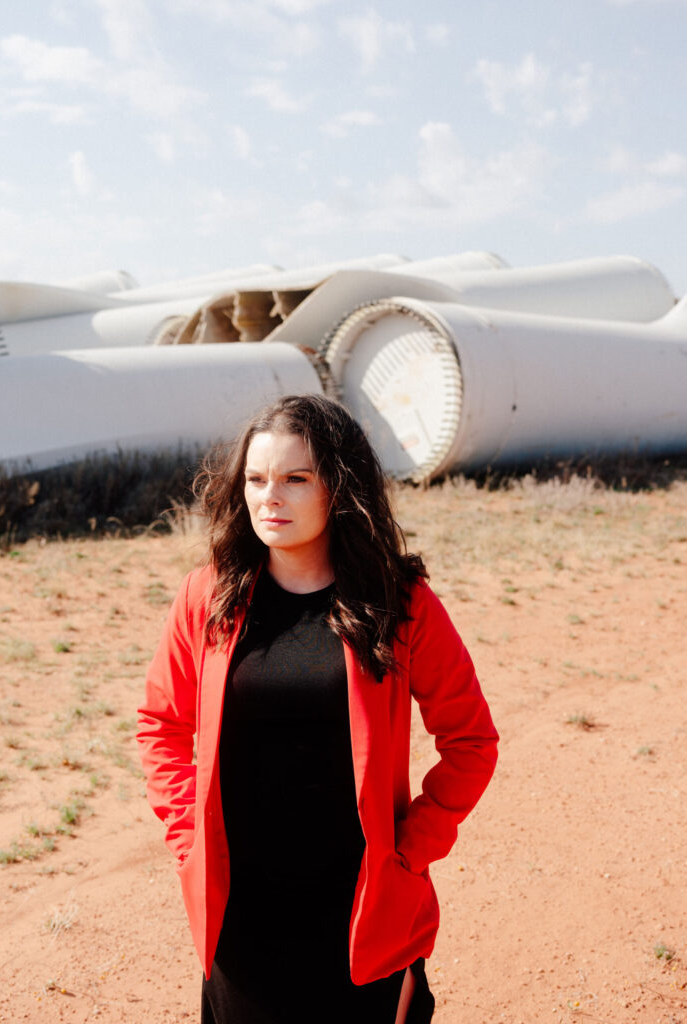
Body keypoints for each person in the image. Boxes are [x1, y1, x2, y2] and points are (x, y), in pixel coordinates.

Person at [137, 394, 498, 1024]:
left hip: (359, 910)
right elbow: (161, 726)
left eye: (295, 479)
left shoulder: (399, 603)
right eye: (255, 478)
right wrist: (188, 837)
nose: (268, 497)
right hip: (239, 910)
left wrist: (411, 849)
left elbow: (471, 740)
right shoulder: (209, 595)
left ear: (339, 486)